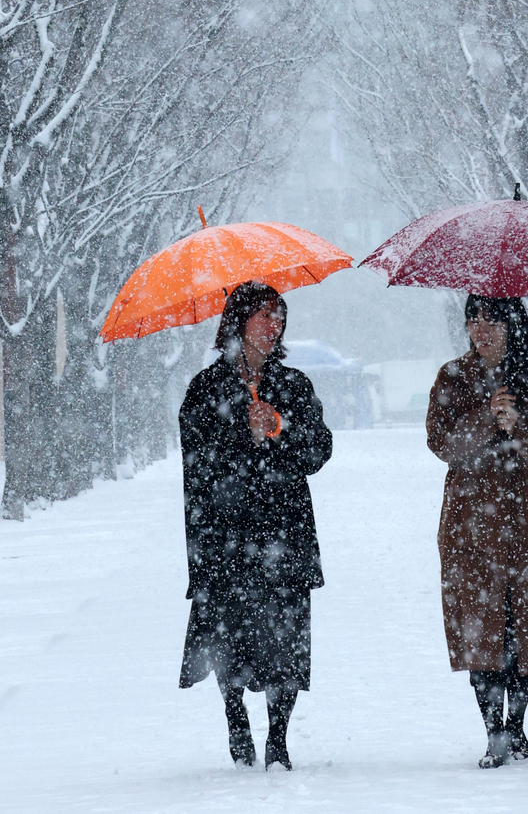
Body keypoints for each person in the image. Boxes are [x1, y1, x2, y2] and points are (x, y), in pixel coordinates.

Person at [178, 281, 333, 771]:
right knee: (231, 635)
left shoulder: (294, 385)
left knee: (286, 639)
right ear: (238, 322)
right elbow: (196, 463)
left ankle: (279, 737)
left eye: (279, 315)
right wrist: (239, 434)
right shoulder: (205, 389)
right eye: (264, 314)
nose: (275, 324)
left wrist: (280, 428)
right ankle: (235, 716)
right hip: (227, 535)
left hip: (284, 531)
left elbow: (319, 450)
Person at [427, 293, 528, 767]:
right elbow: (440, 442)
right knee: (481, 629)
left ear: (512, 324)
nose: (480, 329)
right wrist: (484, 418)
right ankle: (494, 731)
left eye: (491, 320)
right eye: (472, 319)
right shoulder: (453, 377)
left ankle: (516, 724)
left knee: (526, 628)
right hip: (472, 523)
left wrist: (520, 426)